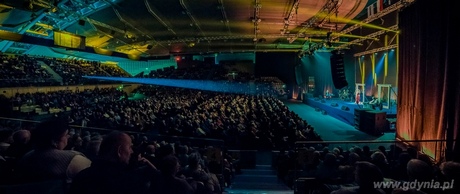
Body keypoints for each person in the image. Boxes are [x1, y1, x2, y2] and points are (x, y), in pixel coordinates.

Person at [70, 130, 157, 194]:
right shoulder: (129, 182)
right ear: (119, 151)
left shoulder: (81, 177)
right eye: (130, 147)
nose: (132, 152)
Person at [15, 118, 92, 183]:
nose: (68, 137)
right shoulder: (74, 159)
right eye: (65, 135)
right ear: (54, 141)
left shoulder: (26, 157)